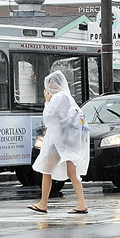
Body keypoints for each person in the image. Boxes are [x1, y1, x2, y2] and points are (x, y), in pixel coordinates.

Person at [28, 71, 90, 214]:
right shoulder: (68, 97)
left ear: (55, 84)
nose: (48, 87)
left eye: (50, 83)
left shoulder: (58, 97)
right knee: (70, 172)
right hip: (68, 141)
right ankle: (81, 203)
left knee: (46, 169)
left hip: (59, 142)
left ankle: (43, 203)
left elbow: (49, 117)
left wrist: (47, 101)